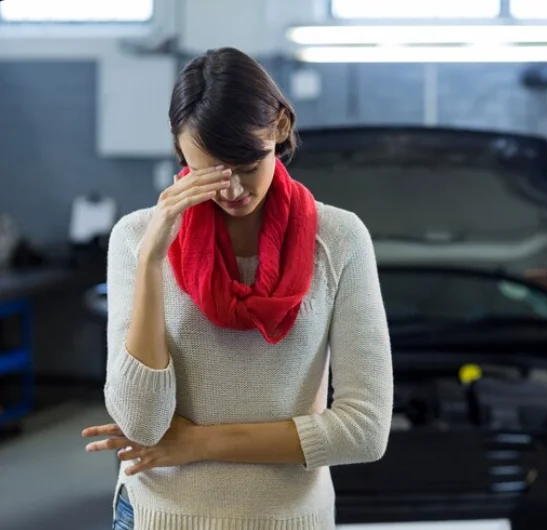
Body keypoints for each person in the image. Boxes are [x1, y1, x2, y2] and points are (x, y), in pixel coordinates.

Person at [81, 47, 394, 530]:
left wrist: (197, 443)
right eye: (211, 172)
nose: (232, 191)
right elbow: (142, 424)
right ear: (180, 149)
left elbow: (365, 431)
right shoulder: (136, 238)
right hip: (158, 516)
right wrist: (151, 260)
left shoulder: (338, 239)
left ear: (280, 127)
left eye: (247, 164)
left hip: (289, 520)